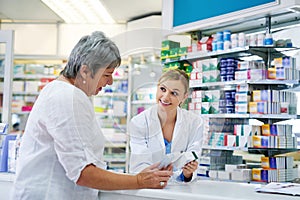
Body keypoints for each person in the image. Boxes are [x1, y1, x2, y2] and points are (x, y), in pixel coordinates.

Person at [11, 31, 172, 200]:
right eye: (107, 75)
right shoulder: (66, 97)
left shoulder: (67, 94)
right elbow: (82, 173)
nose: (110, 82)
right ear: (85, 71)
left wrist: (136, 177)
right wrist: (139, 180)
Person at [129, 69, 203, 182]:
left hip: (181, 190)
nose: (165, 97)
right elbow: (139, 164)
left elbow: (193, 157)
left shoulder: (194, 123)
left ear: (184, 97)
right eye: (162, 89)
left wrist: (188, 172)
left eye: (174, 93)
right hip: (148, 188)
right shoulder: (139, 122)